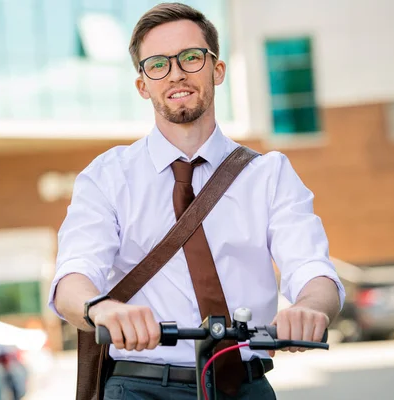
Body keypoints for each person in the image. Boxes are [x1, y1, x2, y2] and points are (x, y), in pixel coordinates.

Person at [49, 2, 345, 399]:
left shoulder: (269, 174)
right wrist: (102, 308)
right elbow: (73, 277)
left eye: (191, 57)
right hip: (141, 387)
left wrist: (310, 307)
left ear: (217, 70)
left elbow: (313, 268)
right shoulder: (106, 176)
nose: (176, 73)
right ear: (142, 84)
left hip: (244, 385)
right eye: (158, 64)